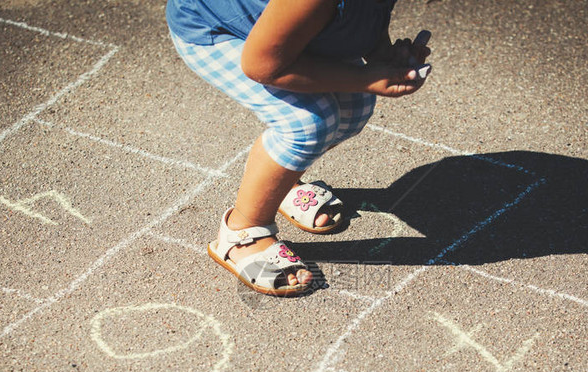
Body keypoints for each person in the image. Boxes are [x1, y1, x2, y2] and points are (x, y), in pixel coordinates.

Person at [166, 0, 430, 296]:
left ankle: (281, 184)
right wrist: (368, 78)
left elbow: (366, 15)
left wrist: (382, 55)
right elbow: (261, 65)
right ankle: (242, 231)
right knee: (305, 124)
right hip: (215, 31)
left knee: (356, 107)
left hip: (290, 33)